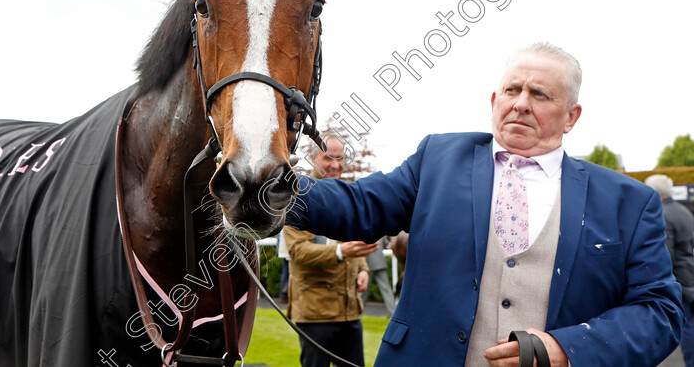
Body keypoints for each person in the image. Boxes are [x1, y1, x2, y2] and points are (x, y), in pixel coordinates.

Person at [289, 42, 683, 366]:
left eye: (539, 94)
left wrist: (567, 349)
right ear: (495, 100)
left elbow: (660, 313)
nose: (521, 103)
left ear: (571, 117)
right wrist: (273, 185)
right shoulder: (437, 158)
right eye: (512, 90)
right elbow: (358, 205)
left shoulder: (628, 201)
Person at [286, 135, 378, 367]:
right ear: (314, 158)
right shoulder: (297, 195)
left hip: (349, 311)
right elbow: (298, 251)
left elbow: (356, 243)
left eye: (340, 158)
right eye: (328, 158)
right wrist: (341, 252)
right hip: (314, 313)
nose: (335, 165)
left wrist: (364, 269)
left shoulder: (350, 193)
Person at [646, 173, 694, 367]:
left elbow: (665, 255)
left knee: (687, 327)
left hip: (681, 281)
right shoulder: (683, 211)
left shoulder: (662, 215)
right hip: (690, 275)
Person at [361, 237, 396, 317]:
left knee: (363, 291)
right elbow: (386, 244)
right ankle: (393, 314)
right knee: (386, 290)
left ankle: (356, 313)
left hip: (367, 265)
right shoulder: (380, 231)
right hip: (380, 263)